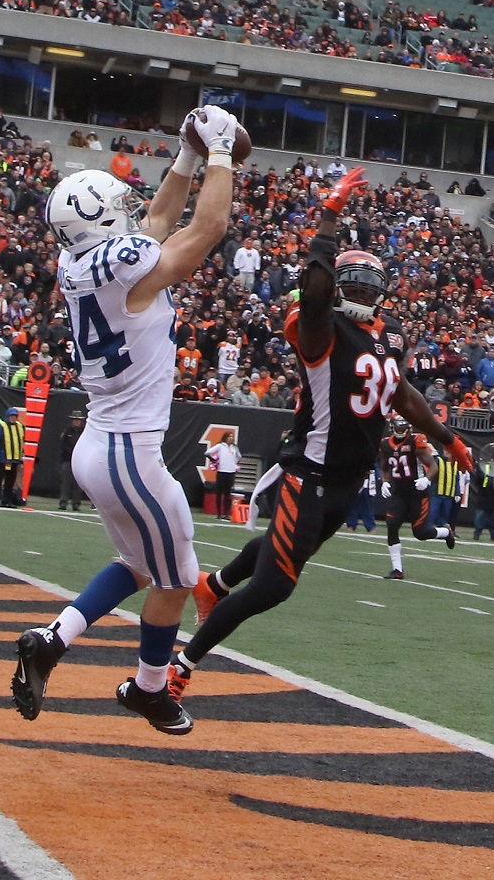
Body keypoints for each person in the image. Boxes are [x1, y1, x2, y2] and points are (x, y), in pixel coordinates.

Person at [164, 167, 473, 703]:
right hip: (311, 472)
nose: (360, 291)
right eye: (351, 283)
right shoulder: (320, 328)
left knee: (290, 551)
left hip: (349, 479)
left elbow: (402, 394)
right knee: (275, 585)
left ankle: (213, 585)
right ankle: (181, 665)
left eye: (369, 285)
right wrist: (329, 217)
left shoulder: (388, 335)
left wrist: (448, 439)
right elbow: (314, 291)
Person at [11, 104, 241, 736]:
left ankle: (52, 640)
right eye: (117, 203)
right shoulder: (123, 263)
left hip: (101, 445)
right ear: (99, 219)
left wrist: (187, 156)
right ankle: (149, 688)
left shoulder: (79, 261)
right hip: (128, 452)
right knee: (178, 577)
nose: (131, 208)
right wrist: (220, 149)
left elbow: (157, 221)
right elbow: (208, 226)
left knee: (141, 566)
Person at [380, 417, 457, 579]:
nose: (400, 432)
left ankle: (445, 532)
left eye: (403, 429)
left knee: (420, 533)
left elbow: (433, 466)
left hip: (417, 493)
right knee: (391, 525)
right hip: (399, 493)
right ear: (392, 428)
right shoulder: (386, 444)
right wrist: (385, 482)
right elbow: (385, 467)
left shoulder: (415, 441)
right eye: (398, 429)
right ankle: (397, 569)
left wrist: (426, 480)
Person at [469, 444, 494, 542]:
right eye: (493, 458)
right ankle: (477, 533)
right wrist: (480, 474)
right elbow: (477, 480)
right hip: (484, 496)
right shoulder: (483, 467)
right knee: (480, 517)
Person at [0, 408, 25, 507]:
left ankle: (7, 501)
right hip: (3, 459)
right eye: (11, 416)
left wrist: (22, 455)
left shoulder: (20, 426)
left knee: (10, 481)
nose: (13, 418)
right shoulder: (1, 426)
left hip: (15, 459)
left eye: (15, 416)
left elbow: (22, 441)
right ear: (7, 416)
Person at [205, 429, 242, 519]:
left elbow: (239, 456)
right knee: (219, 493)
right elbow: (207, 453)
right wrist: (214, 460)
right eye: (229, 437)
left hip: (231, 473)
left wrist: (234, 464)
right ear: (225, 438)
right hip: (221, 472)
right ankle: (219, 513)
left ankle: (226, 513)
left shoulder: (234, 448)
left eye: (232, 437)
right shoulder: (220, 446)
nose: (231, 438)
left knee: (227, 494)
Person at [430, 452, 466, 534]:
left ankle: (441, 532)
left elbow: (456, 479)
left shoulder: (455, 464)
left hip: (449, 494)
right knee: (433, 512)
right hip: (437, 493)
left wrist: (457, 493)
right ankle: (429, 528)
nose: (449, 454)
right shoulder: (438, 460)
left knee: (445, 514)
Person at [58, 410, 85, 511]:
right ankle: (63, 503)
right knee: (66, 483)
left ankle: (76, 504)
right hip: (68, 460)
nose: (76, 422)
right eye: (75, 420)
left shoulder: (84, 432)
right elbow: (62, 445)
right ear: (72, 420)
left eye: (78, 420)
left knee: (78, 484)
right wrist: (72, 453)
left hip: (80, 462)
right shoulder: (67, 431)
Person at [345, 469, 378, 534]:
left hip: (367, 484)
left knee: (368, 507)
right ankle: (351, 524)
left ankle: (370, 526)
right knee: (353, 505)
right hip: (356, 482)